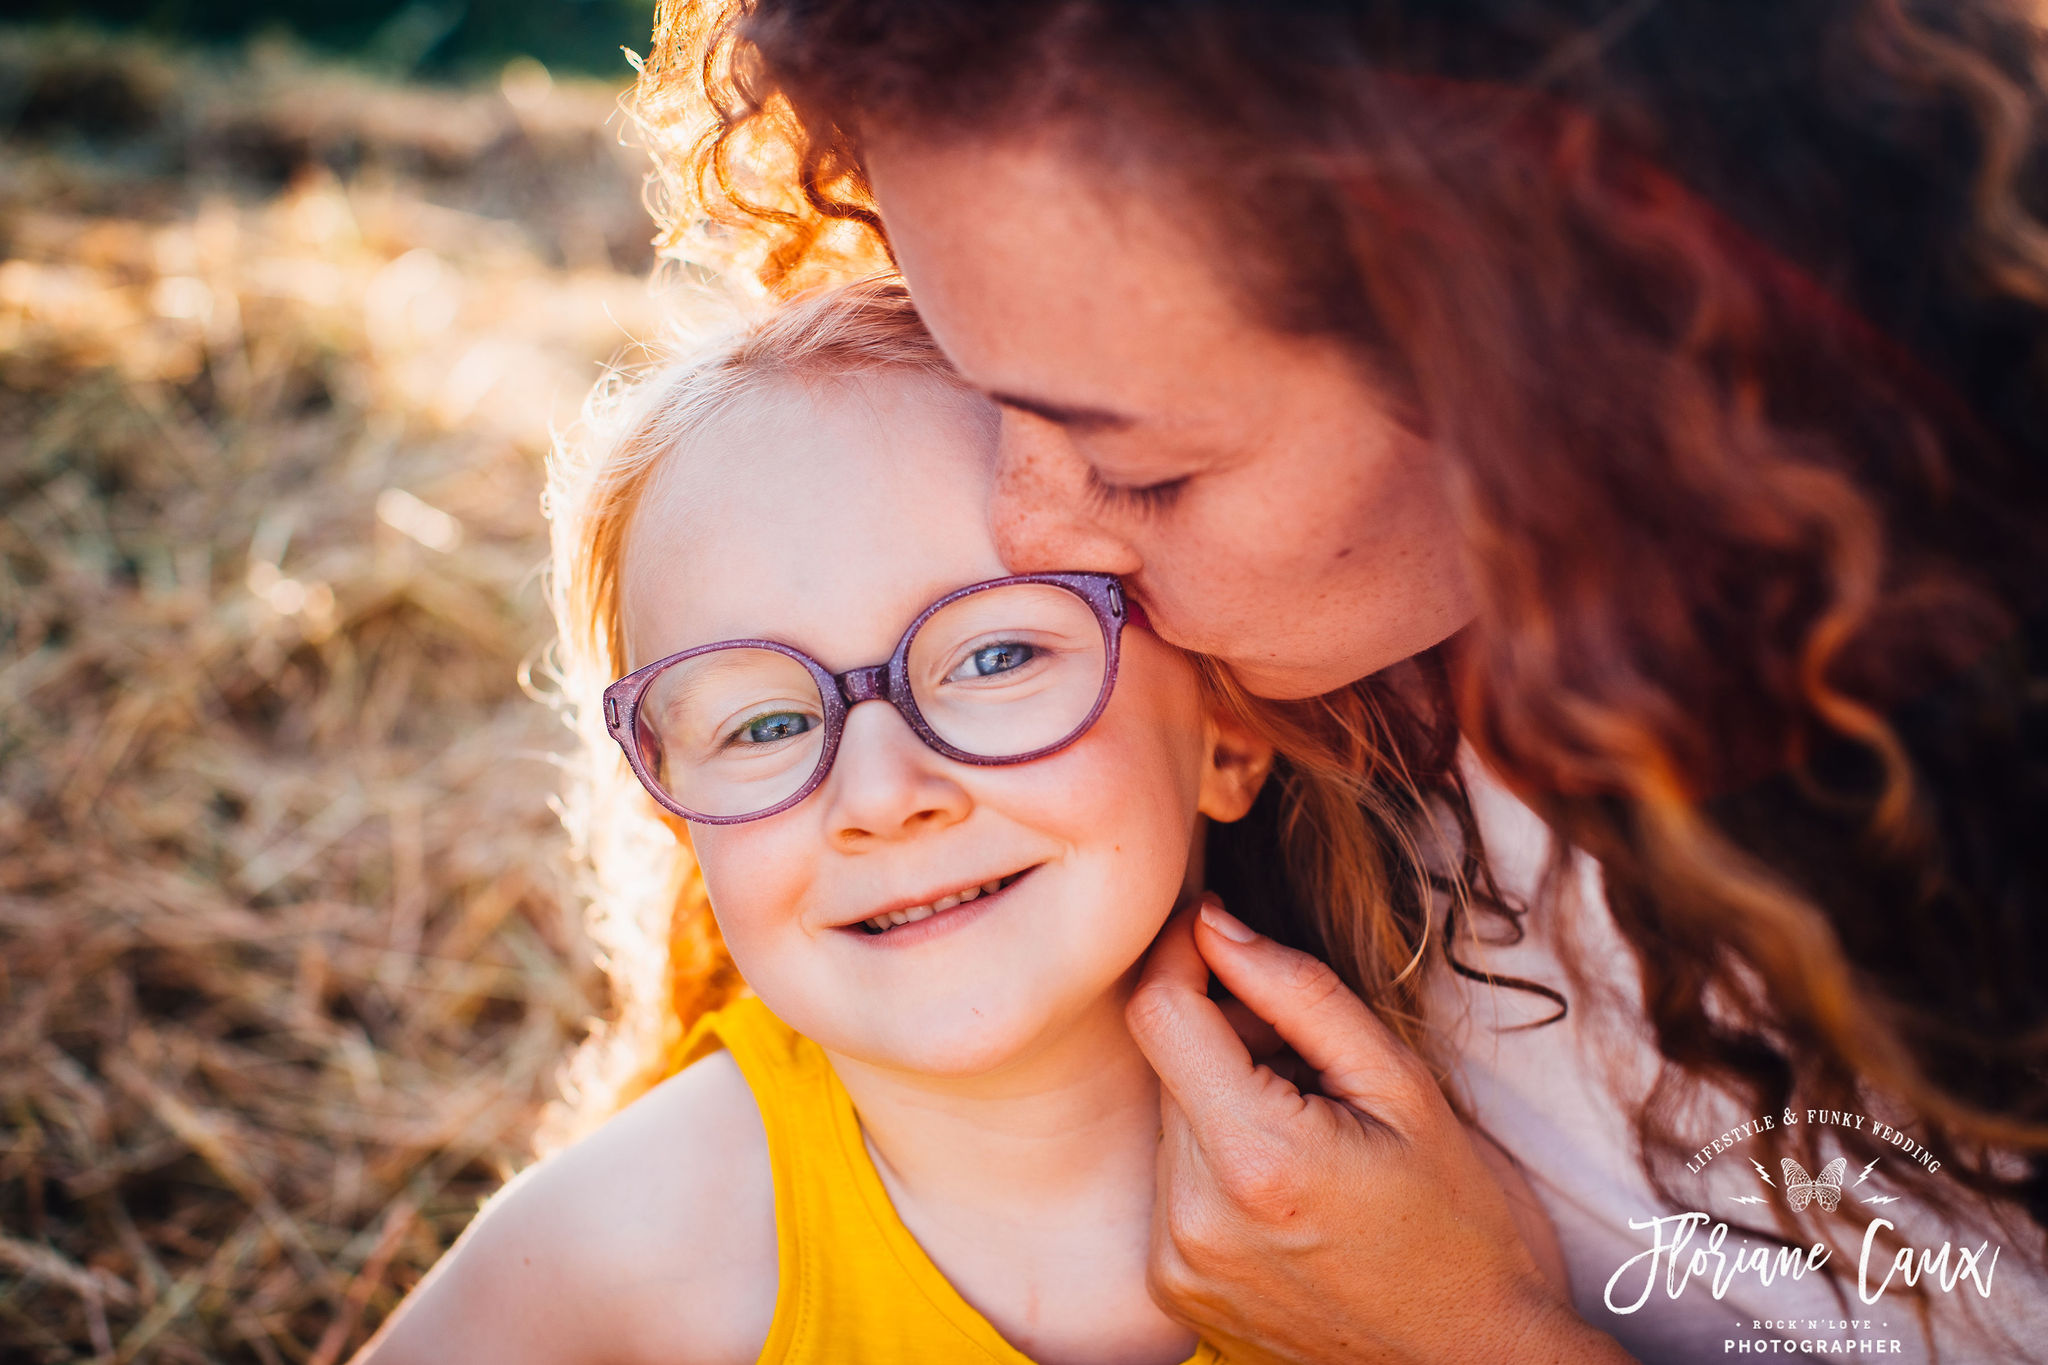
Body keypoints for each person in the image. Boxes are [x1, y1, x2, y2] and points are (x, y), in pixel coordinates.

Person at [636, 1, 2048, 1360]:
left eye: (1143, 465)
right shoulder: (1260, 717)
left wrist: (1472, 1344)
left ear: (1542, 356)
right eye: (983, 382)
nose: (1028, 531)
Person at [349, 280, 1571, 1365]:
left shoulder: (1449, 1208)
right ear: (683, 821)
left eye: (993, 655)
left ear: (1225, 735)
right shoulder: (619, 1249)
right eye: (763, 725)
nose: (882, 797)